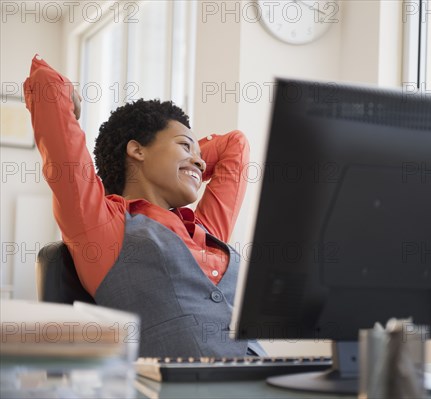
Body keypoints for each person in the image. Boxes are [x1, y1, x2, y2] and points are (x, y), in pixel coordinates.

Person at [24, 55, 265, 357]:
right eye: (184, 145)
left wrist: (184, 163)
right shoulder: (101, 223)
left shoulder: (205, 230)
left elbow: (235, 145)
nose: (201, 160)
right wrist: (180, 167)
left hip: (262, 376)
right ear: (136, 149)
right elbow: (47, 86)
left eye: (200, 154)